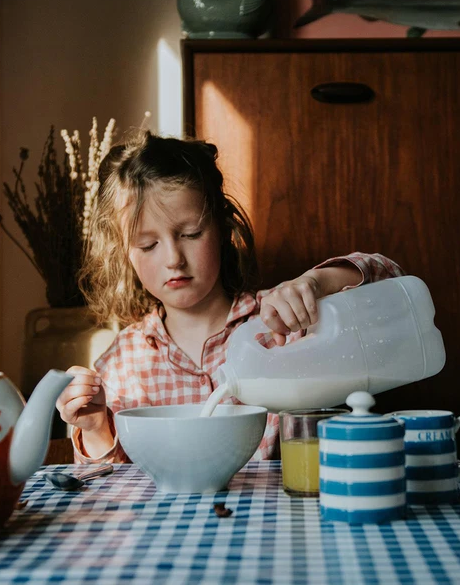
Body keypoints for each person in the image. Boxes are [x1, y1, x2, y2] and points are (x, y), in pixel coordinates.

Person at [56, 131, 405, 463]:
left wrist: (317, 283)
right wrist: (96, 426)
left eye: (191, 234)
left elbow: (395, 285)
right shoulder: (121, 364)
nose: (174, 259)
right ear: (125, 253)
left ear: (223, 229)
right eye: (148, 245)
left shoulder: (284, 322)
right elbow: (110, 489)